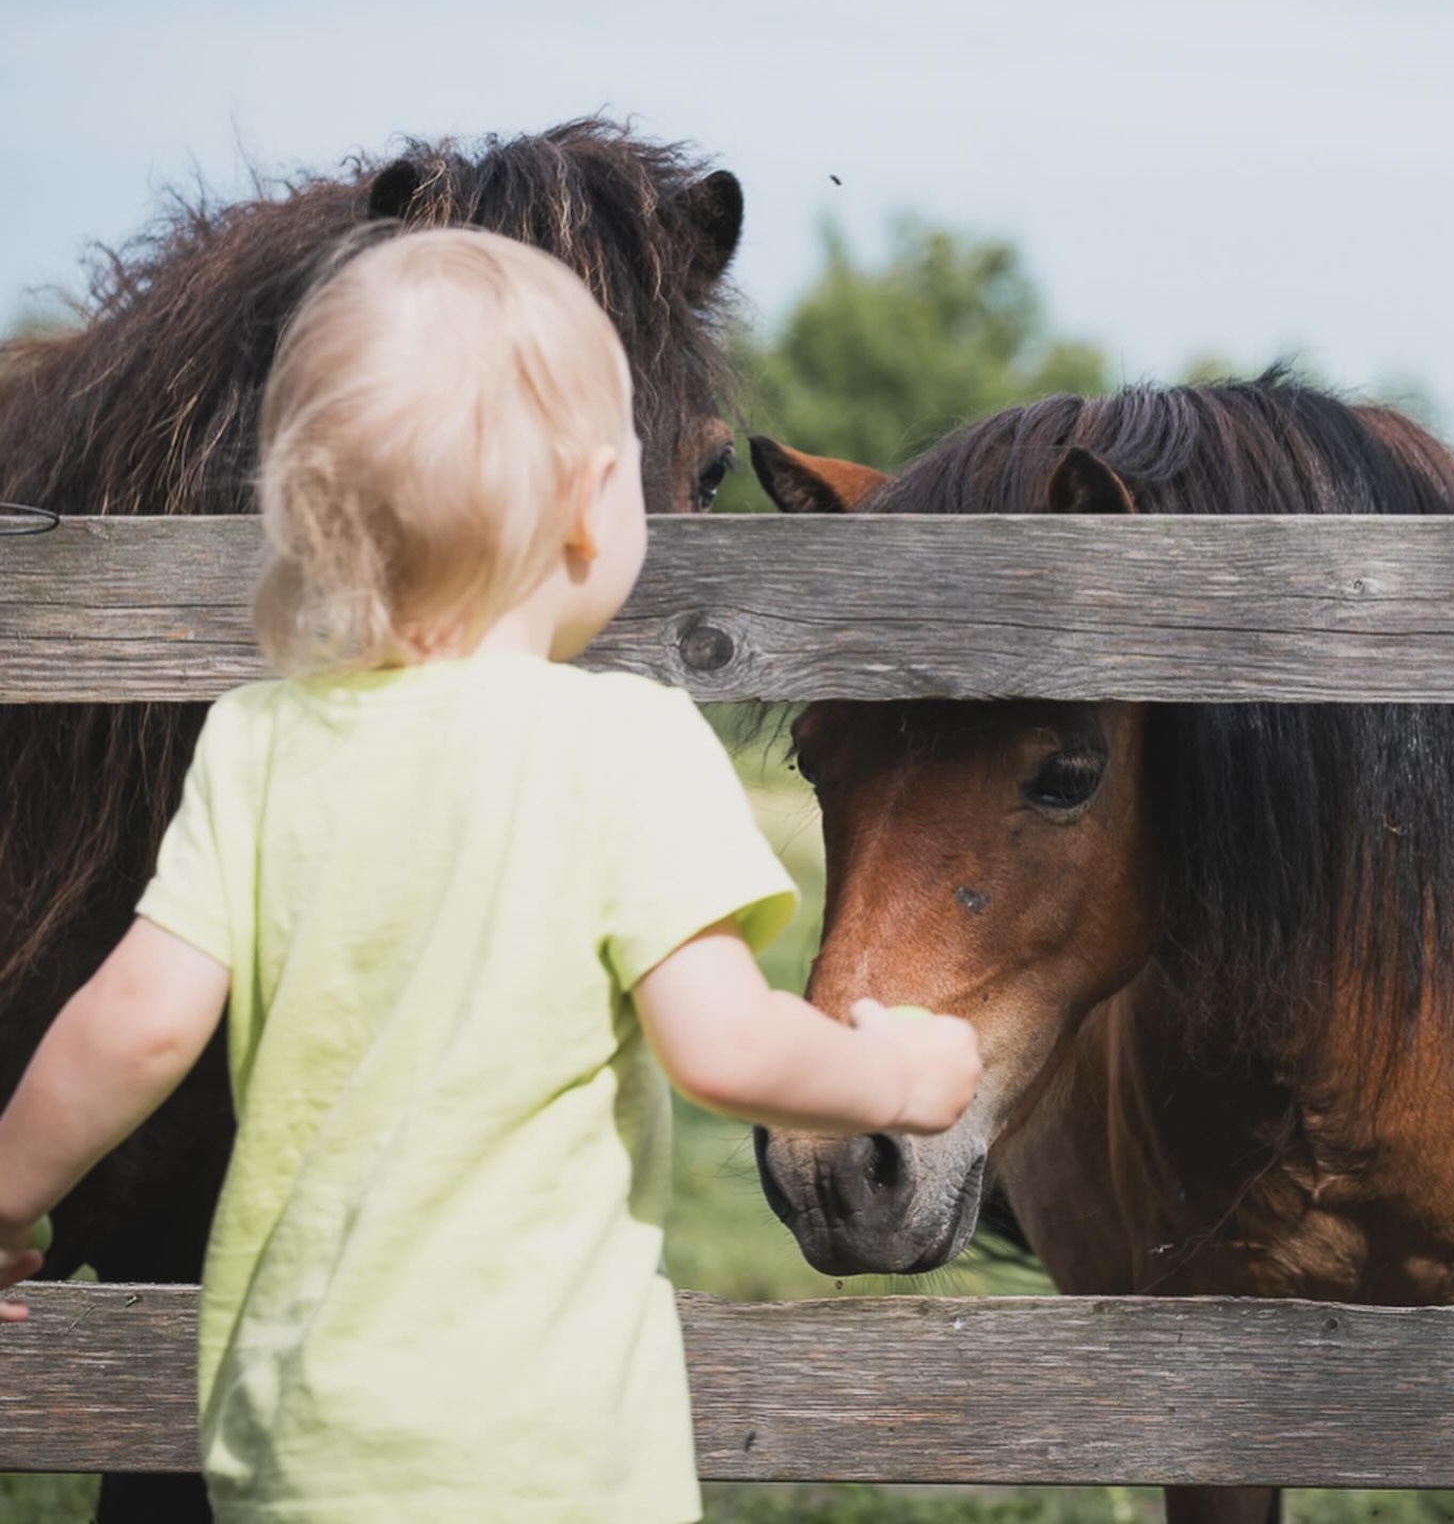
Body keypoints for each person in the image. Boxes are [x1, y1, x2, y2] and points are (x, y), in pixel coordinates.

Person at [0, 227, 980, 1522]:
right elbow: (725, 1048)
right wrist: (901, 1075)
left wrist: (7, 1191)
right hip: (553, 1450)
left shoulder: (262, 741)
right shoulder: (627, 742)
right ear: (589, 504)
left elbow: (133, 1026)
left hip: (306, 1442)